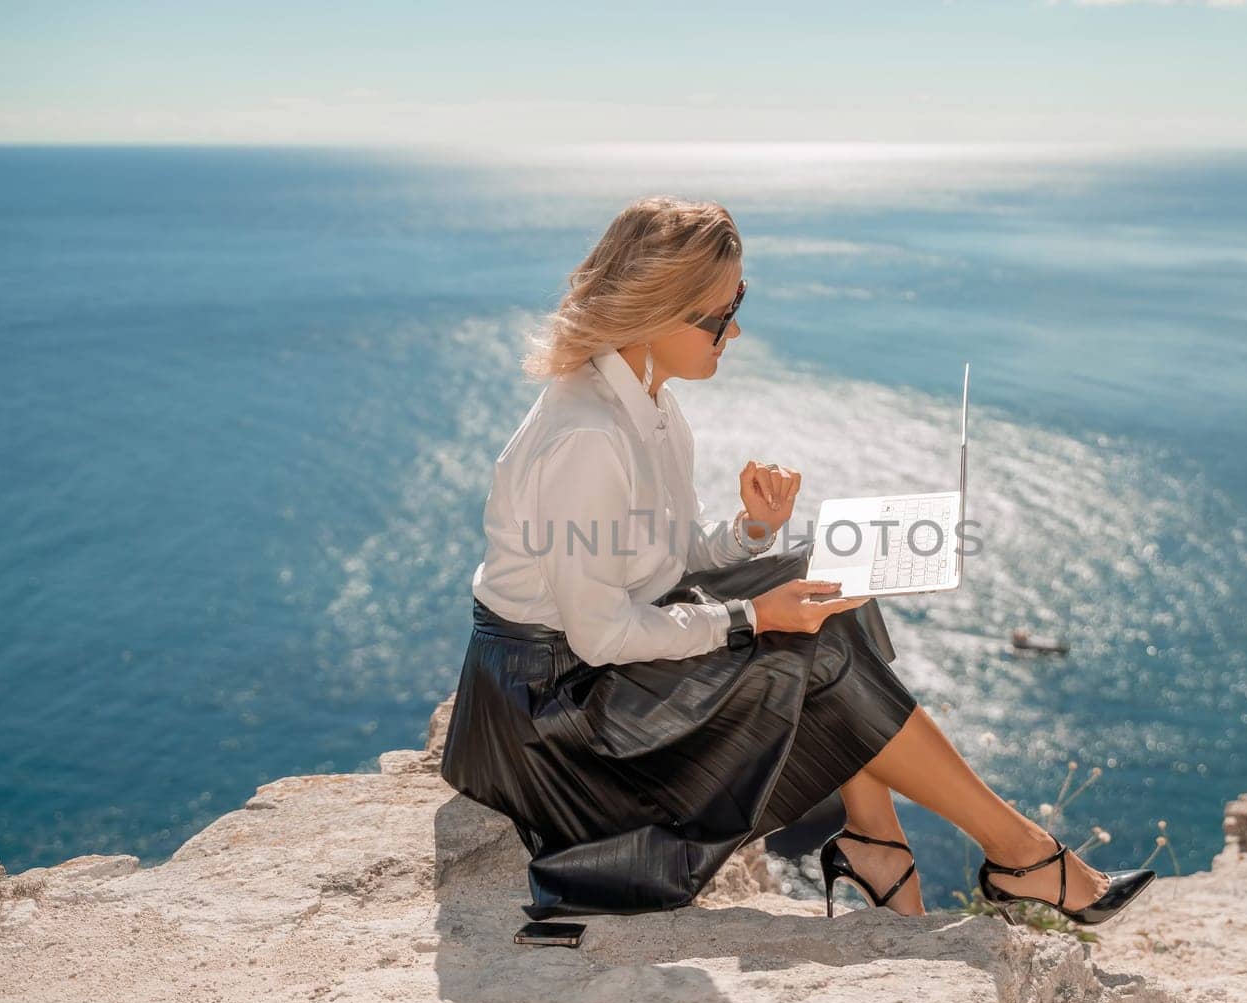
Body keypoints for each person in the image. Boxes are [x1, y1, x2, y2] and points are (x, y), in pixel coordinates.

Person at [440, 195, 1154, 924]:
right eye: (720, 313)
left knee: (825, 578)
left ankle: (882, 840)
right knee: (817, 639)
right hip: (550, 720)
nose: (736, 327)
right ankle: (1018, 854)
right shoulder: (588, 434)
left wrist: (753, 531)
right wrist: (751, 616)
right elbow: (602, 634)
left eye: (736, 303)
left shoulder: (646, 402)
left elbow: (666, 555)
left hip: (585, 671)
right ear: (657, 314)